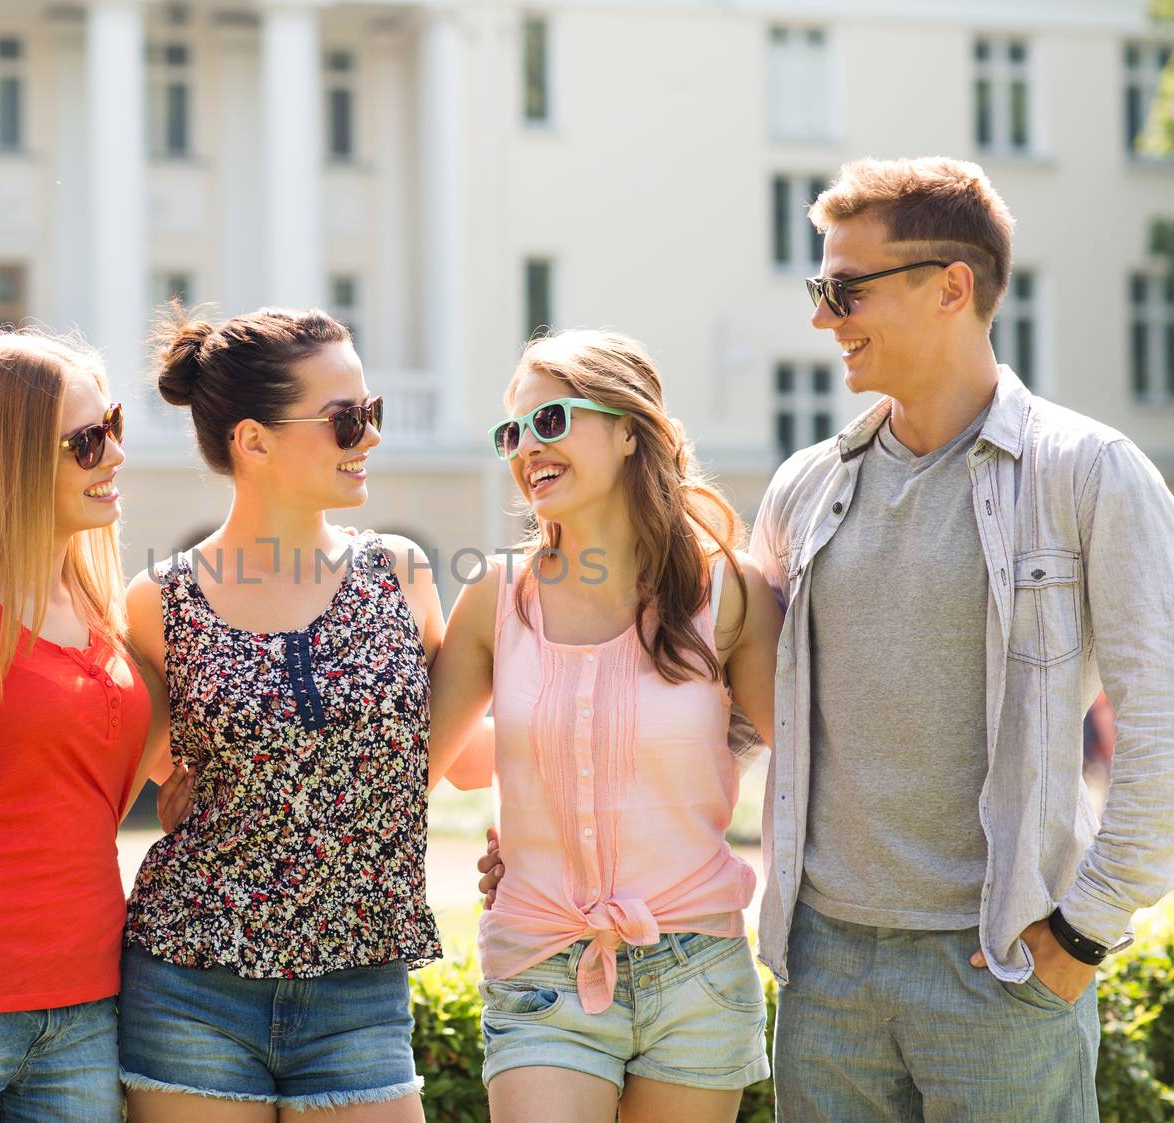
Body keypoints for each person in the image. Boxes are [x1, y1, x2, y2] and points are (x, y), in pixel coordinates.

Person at [753, 156, 1174, 1121]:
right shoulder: (804, 487)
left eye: (844, 288)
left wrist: (1083, 935)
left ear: (952, 286)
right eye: (822, 287)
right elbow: (735, 709)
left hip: (1004, 969)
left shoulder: (1091, 472)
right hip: (826, 978)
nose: (824, 317)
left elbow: (1160, 726)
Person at [430, 330, 782, 1123]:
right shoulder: (497, 597)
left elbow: (812, 757)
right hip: (543, 962)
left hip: (697, 963)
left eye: (549, 421)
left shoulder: (729, 591)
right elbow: (432, 762)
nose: (525, 449)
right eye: (510, 433)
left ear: (629, 431)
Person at [116, 304, 444, 1121]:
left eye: (371, 413)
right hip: (190, 983)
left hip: (359, 988)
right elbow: (121, 768)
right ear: (252, 441)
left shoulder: (398, 573)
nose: (368, 436)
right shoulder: (158, 600)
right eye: (345, 419)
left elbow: (458, 752)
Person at [0, 330, 162, 1120]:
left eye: (112, 425)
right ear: (8, 458)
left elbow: (89, 794)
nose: (115, 454)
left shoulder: (104, 614)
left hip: (90, 1000)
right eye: (88, 441)